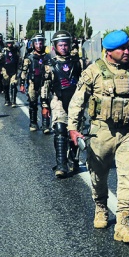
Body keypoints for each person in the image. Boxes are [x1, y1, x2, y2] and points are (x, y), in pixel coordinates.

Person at [68, 30, 129, 242]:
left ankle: (123, 225)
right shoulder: (93, 71)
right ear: (109, 51)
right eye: (122, 49)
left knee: (128, 177)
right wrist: (73, 128)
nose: (127, 51)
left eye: (128, 47)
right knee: (98, 175)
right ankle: (101, 206)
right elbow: (77, 101)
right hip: (101, 132)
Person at [47, 30, 83, 178]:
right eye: (60, 45)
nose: (63, 47)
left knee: (74, 131)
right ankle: (61, 165)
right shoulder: (51, 65)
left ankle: (72, 159)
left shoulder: (79, 62)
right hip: (58, 100)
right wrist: (44, 104)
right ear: (55, 46)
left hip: (76, 101)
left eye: (66, 44)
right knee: (60, 130)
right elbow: (45, 85)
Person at [22, 34, 51, 131]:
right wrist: (22, 84)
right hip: (32, 83)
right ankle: (33, 123)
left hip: (45, 83)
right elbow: (24, 71)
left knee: (45, 103)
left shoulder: (47, 57)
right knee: (33, 103)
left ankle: (46, 125)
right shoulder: (29, 57)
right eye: (37, 43)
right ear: (33, 44)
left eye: (41, 43)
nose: (39, 45)